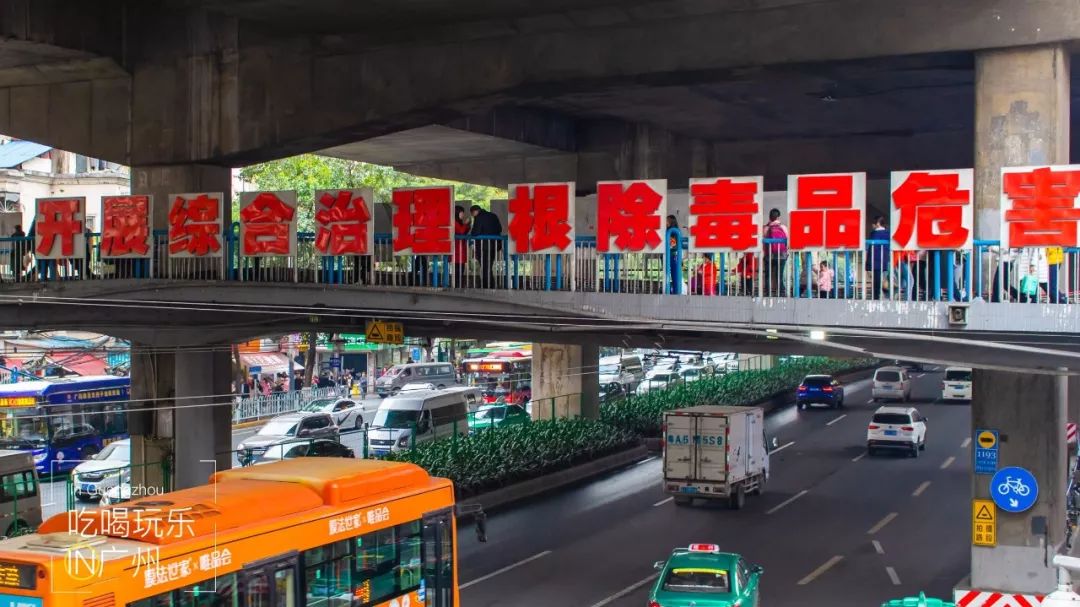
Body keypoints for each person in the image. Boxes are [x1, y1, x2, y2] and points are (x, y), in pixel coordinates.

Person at [470, 204, 503, 288]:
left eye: (472, 214)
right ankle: (490, 284)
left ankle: (487, 285)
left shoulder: (479, 217)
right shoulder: (493, 215)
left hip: (483, 246)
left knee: (485, 267)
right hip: (494, 245)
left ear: (474, 212)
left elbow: (475, 233)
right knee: (489, 266)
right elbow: (499, 228)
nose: (473, 216)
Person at [762, 209, 788, 296]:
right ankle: (781, 292)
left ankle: (768, 292)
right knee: (779, 274)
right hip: (782, 255)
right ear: (778, 217)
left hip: (769, 255)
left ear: (769, 216)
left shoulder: (765, 228)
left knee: (768, 275)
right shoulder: (783, 227)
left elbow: (762, 242)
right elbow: (788, 241)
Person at [865, 216, 890, 300]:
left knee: (876, 280)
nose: (872, 225)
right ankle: (881, 295)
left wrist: (867, 263)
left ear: (878, 223)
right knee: (881, 279)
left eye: (873, 223)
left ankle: (876, 296)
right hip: (884, 259)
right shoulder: (887, 233)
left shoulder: (873, 233)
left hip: (874, 260)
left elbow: (870, 249)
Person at [454, 205, 471, 286]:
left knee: (461, 268)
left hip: (461, 248)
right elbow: (460, 231)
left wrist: (467, 226)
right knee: (458, 268)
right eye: (461, 213)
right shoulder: (454, 222)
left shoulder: (459, 222)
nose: (463, 215)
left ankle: (459, 284)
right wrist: (465, 224)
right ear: (457, 213)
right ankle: (457, 284)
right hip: (457, 249)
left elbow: (463, 231)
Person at [666, 215, 681, 294]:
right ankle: (669, 290)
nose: (665, 222)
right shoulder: (667, 231)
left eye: (667, 220)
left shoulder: (675, 231)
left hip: (673, 255)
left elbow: (675, 245)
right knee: (667, 274)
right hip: (668, 255)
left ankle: (676, 291)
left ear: (671, 222)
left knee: (674, 275)